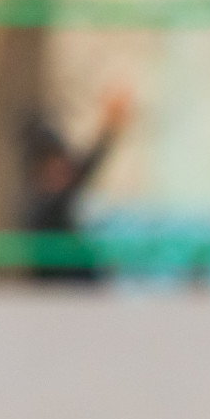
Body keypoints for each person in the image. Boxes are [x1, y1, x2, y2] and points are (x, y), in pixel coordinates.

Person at [23, 90, 131, 281]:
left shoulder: (60, 199)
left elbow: (82, 172)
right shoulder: (40, 208)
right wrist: (109, 129)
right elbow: (81, 174)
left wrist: (110, 128)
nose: (61, 172)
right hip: (56, 295)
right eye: (53, 166)